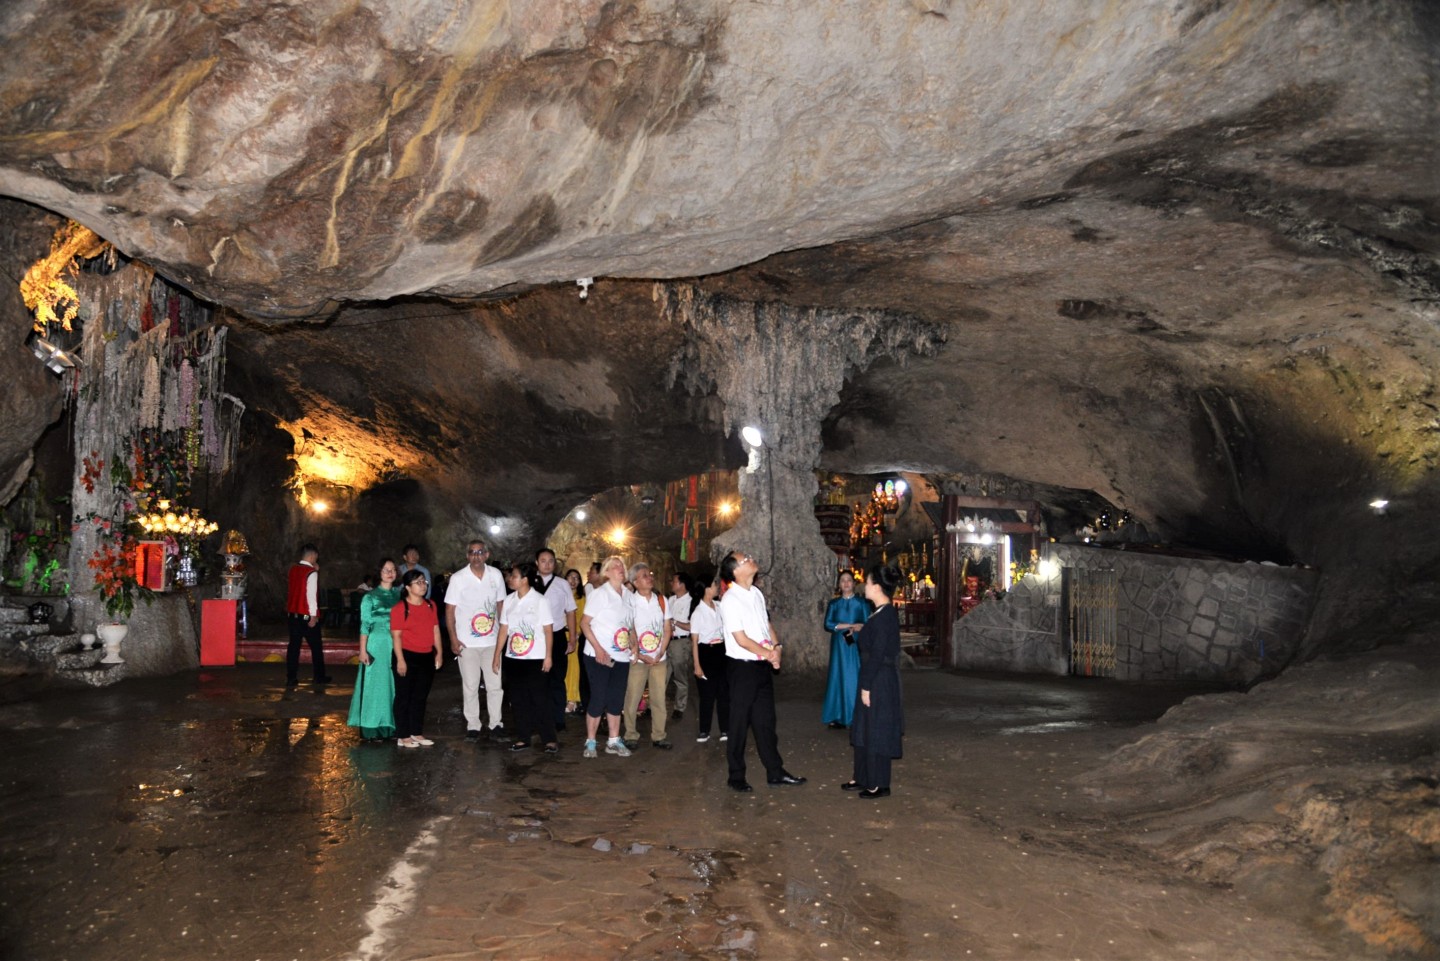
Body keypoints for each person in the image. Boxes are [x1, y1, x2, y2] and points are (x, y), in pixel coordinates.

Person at [718, 550, 805, 792]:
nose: (750, 559)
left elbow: (766, 626)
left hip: (761, 666)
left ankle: (775, 772)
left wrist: (776, 649)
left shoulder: (756, 593)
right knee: (738, 724)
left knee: (766, 722)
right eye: (745, 559)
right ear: (735, 571)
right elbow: (741, 639)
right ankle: (736, 776)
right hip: (742, 668)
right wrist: (769, 654)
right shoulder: (730, 600)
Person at [844, 564, 905, 798]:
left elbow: (879, 653)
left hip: (878, 679)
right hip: (872, 675)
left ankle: (878, 783)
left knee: (877, 730)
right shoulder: (879, 613)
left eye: (867, 582)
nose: (864, 586)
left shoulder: (885, 615)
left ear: (877, 587)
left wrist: (867, 686)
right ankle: (862, 776)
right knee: (863, 728)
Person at [445, 539, 508, 742]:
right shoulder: (458, 578)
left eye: (480, 552)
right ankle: (473, 725)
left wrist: (503, 635)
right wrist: (453, 638)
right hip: (467, 643)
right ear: (467, 556)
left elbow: (501, 605)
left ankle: (496, 723)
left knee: (494, 685)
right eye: (472, 552)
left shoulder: (495, 575)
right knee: (470, 685)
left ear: (487, 555)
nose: (476, 556)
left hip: (491, 641)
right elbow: (450, 610)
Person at [493, 562, 557, 753]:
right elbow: (504, 629)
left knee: (539, 699)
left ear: (525, 579)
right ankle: (523, 737)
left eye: (513, 576)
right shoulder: (509, 600)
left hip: (535, 657)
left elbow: (548, 630)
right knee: (518, 699)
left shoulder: (540, 600)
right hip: (514, 658)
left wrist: (548, 656)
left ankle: (549, 739)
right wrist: (497, 655)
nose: (510, 579)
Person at [579, 555, 633, 759]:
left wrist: (634, 642)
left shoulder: (628, 594)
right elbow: (585, 623)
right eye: (615, 566)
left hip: (621, 655)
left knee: (616, 699)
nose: (620, 568)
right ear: (607, 573)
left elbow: (629, 623)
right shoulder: (600, 594)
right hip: (598, 655)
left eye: (622, 566)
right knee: (599, 697)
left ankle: (613, 740)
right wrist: (599, 649)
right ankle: (591, 741)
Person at [347, 558, 401, 740]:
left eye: (393, 570)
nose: (390, 573)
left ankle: (390, 725)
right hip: (376, 643)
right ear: (379, 573)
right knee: (375, 684)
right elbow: (364, 625)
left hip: (396, 643)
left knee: (392, 684)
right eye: (386, 570)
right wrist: (362, 650)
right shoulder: (370, 597)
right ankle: (372, 727)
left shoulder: (399, 595)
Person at [390, 569, 443, 748]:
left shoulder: (431, 605)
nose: (423, 585)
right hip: (406, 655)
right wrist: (400, 660)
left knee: (420, 696)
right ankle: (403, 735)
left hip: (426, 655)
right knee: (404, 696)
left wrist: (439, 652)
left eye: (424, 582)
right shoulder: (400, 609)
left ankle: (416, 732)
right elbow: (396, 636)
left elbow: (435, 630)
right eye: (418, 582)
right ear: (407, 587)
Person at [622, 562, 672, 749]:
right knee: (633, 696)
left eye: (649, 574)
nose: (649, 577)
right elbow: (628, 630)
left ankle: (659, 735)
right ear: (635, 582)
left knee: (658, 698)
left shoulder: (661, 600)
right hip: (638, 658)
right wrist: (641, 655)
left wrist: (660, 653)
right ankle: (630, 734)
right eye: (644, 575)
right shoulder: (629, 602)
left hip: (659, 658)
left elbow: (667, 629)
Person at [536, 548, 577, 731]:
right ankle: (539, 717)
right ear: (537, 562)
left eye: (551, 561)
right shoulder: (529, 582)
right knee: (537, 679)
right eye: (543, 560)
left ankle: (558, 718)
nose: (547, 564)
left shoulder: (562, 584)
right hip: (535, 637)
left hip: (558, 634)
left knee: (557, 678)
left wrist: (573, 638)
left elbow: (571, 612)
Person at [822, 570, 870, 729]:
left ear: (854, 583)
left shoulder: (862, 604)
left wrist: (857, 628)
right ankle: (838, 715)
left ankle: (856, 715)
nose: (846, 583)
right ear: (839, 584)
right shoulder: (834, 604)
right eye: (843, 580)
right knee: (838, 677)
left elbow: (869, 624)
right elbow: (828, 624)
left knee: (853, 677)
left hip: (854, 643)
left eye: (849, 580)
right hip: (839, 645)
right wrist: (849, 625)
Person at [688, 572, 729, 743]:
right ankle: (704, 730)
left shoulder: (719, 606)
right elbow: (695, 641)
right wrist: (697, 665)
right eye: (714, 584)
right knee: (707, 694)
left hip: (721, 650)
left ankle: (725, 729)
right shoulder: (698, 612)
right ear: (706, 589)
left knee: (723, 693)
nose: (717, 586)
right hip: (706, 652)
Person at [285, 543, 329, 687]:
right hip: (306, 616)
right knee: (316, 648)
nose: (317, 559)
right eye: (316, 556)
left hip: (293, 615)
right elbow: (311, 596)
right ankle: (319, 677)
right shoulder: (311, 573)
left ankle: (291, 678)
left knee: (293, 648)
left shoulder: (292, 570)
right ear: (312, 555)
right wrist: (313, 616)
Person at [666, 572, 694, 721]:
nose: (672, 583)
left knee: (680, 676)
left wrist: (674, 622)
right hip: (667, 641)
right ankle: (652, 707)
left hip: (681, 642)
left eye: (674, 581)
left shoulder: (691, 601)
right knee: (661, 675)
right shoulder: (670, 600)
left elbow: (693, 626)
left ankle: (679, 707)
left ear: (682, 584)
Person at [563, 568, 585, 713]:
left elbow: (583, 618)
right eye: (570, 577)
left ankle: (572, 699)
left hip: (573, 636)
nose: (573, 580)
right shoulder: (560, 596)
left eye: (576, 578)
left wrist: (576, 634)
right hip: (559, 635)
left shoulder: (581, 599)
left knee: (573, 668)